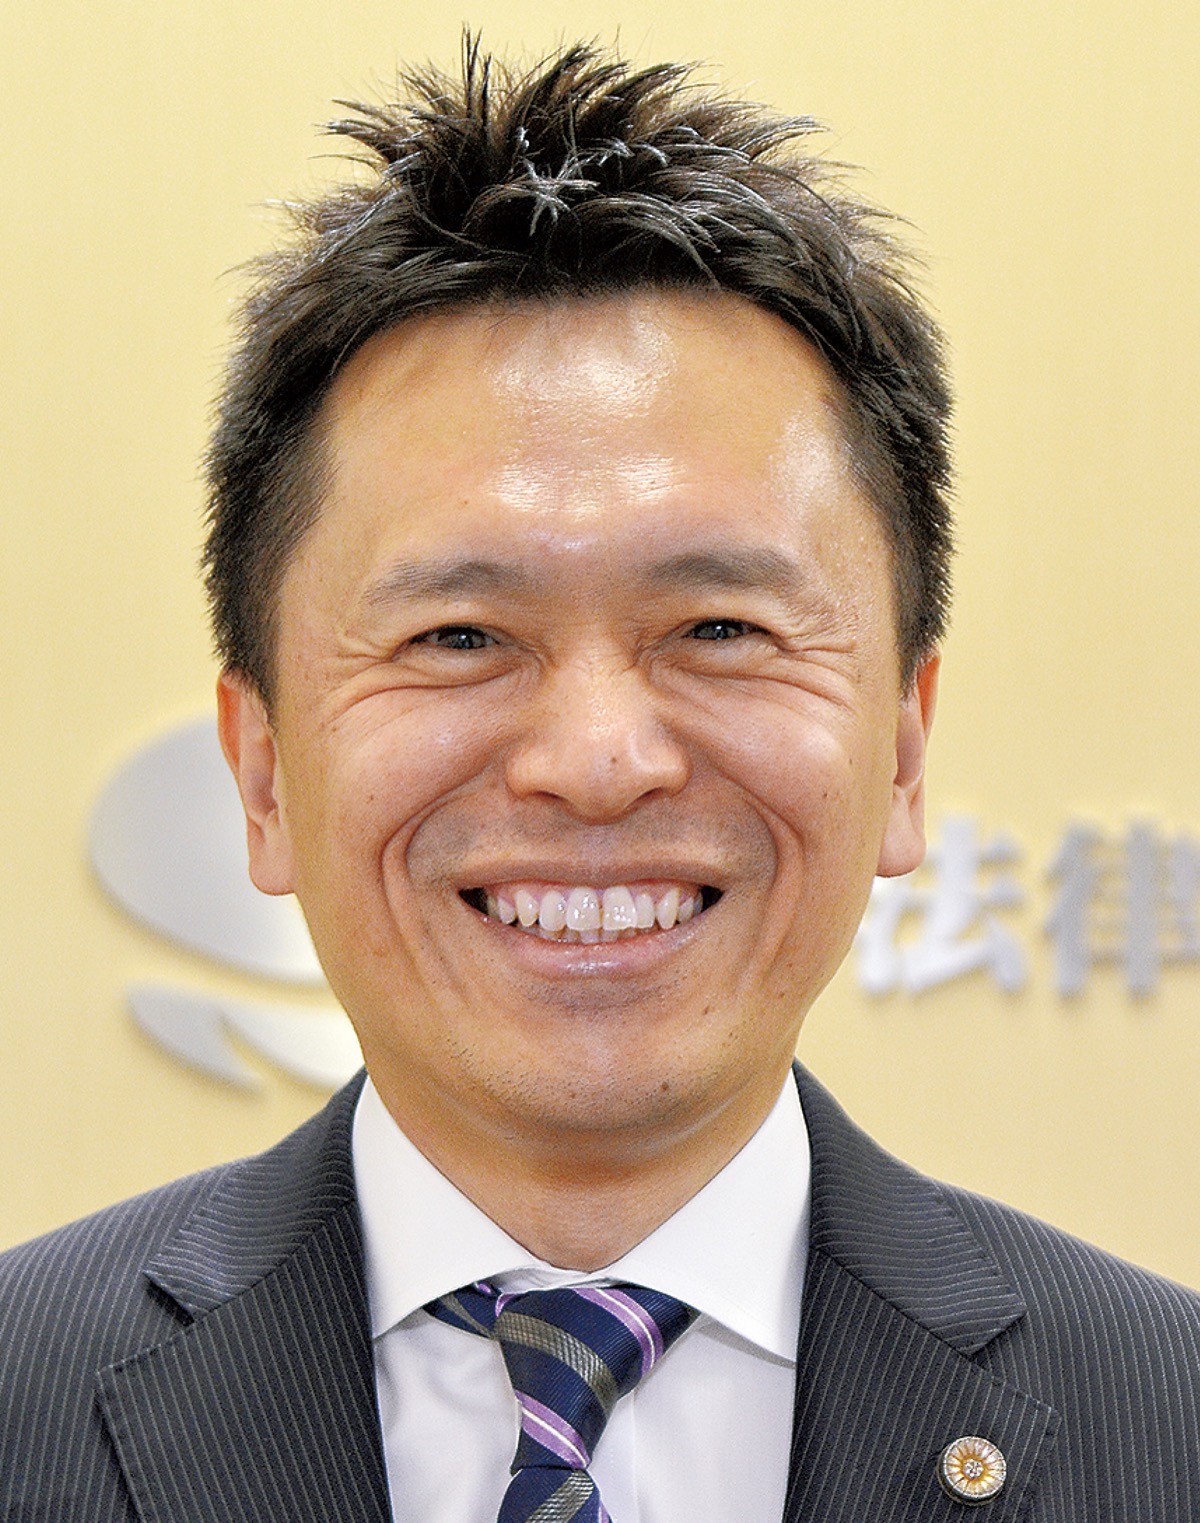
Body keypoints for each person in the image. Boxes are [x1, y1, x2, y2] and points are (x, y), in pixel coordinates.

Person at [1, 39, 1197, 1523]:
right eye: (458, 636)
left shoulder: (1168, 1425)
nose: (596, 762)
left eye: (719, 629)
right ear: (261, 774)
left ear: (900, 750)